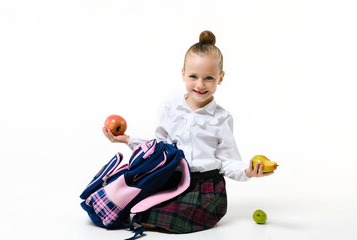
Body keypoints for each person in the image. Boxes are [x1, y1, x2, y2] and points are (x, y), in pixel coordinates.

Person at [102, 30, 274, 233]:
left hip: (205, 187)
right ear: (183, 73)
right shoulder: (171, 110)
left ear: (220, 77)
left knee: (171, 218)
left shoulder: (222, 118)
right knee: (141, 212)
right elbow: (158, 149)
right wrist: (127, 139)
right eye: (193, 76)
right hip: (173, 181)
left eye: (209, 78)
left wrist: (247, 171)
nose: (200, 85)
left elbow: (227, 159)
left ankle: (182, 214)